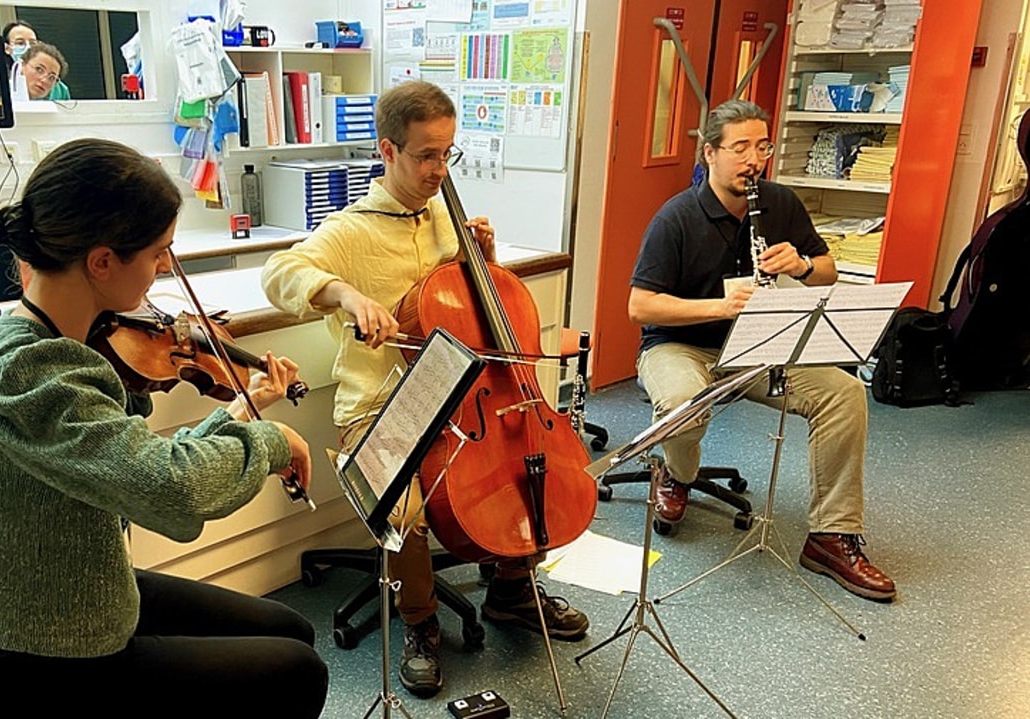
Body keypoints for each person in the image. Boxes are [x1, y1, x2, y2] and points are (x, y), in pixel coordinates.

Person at [0, 138, 328, 717]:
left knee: (290, 628)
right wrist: (270, 442)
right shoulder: (27, 370)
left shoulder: (57, 344)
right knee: (297, 672)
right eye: (158, 252)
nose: (166, 268)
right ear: (101, 261)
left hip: (76, 592)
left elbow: (131, 463)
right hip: (34, 655)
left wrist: (238, 417)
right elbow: (170, 489)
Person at [261, 80, 589, 699]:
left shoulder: (447, 213)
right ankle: (419, 624)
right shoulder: (349, 230)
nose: (441, 169)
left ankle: (512, 593)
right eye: (426, 156)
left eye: (448, 153)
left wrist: (483, 260)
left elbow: (471, 311)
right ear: (388, 150)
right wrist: (346, 294)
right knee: (403, 499)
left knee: (524, 462)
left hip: (469, 396)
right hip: (383, 402)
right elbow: (281, 273)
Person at [628, 99, 896, 602]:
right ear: (710, 153)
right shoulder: (677, 217)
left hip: (759, 346)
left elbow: (827, 270)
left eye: (762, 146)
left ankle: (830, 536)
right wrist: (719, 306)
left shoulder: (780, 203)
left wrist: (800, 266)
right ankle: (677, 474)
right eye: (740, 148)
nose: (754, 160)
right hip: (680, 344)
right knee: (684, 405)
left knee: (843, 394)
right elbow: (640, 306)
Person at [0, 21, 71, 101]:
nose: (28, 47)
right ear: (7, 48)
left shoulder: (60, 90)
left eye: (32, 43)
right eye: (20, 43)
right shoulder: (0, 86)